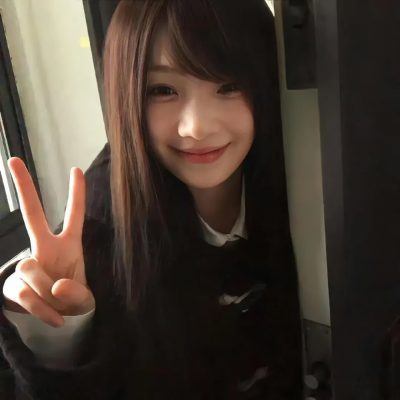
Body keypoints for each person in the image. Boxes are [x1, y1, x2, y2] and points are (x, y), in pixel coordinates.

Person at [0, 0, 303, 398]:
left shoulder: (307, 179)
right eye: (163, 90)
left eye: (229, 86)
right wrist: (57, 338)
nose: (196, 127)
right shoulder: (100, 235)